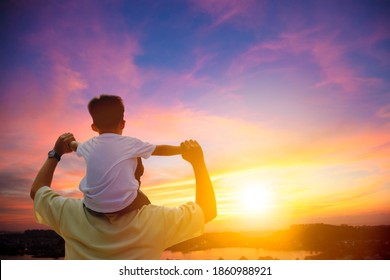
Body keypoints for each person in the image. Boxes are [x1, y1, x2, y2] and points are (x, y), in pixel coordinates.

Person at [30, 133, 216, 259]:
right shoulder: (154, 222)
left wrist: (55, 154)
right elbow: (207, 211)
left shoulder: (69, 215)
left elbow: (37, 191)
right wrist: (198, 162)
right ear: (137, 180)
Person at [69, 95, 182, 214]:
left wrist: (71, 142)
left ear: (94, 127)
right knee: (137, 158)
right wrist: (182, 149)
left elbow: (75, 146)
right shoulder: (130, 143)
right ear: (122, 124)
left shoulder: (87, 145)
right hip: (124, 206)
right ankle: (145, 215)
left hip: (93, 208)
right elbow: (160, 150)